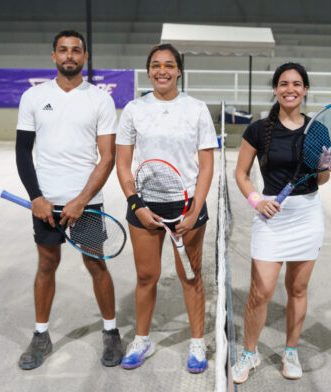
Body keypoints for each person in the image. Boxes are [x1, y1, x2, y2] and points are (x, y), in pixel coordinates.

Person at [14, 30, 122, 370]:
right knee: (47, 265)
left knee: (96, 264)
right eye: (63, 50)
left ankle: (111, 331)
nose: (70, 55)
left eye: (76, 50)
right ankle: (41, 334)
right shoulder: (33, 97)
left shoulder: (100, 100)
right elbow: (22, 150)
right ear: (53, 56)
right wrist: (37, 197)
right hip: (46, 205)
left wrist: (81, 200)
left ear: (85, 57)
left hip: (86, 203)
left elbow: (107, 158)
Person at [232, 62, 331, 384]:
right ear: (276, 89)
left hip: (307, 214)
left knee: (297, 288)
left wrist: (326, 167)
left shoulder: (318, 130)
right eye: (283, 83)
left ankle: (290, 350)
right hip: (271, 215)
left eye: (296, 84)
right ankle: (249, 353)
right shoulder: (257, 130)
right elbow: (240, 173)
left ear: (305, 89)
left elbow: (319, 180)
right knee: (261, 290)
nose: (289, 89)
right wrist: (256, 200)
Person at [115, 43, 217, 373]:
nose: (162, 70)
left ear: (179, 71)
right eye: (156, 64)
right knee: (146, 276)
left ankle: (197, 343)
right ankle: (142, 339)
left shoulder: (197, 109)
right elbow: (123, 163)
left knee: (190, 276)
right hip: (144, 205)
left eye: (169, 65)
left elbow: (206, 165)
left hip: (187, 203)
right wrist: (136, 204)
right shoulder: (133, 109)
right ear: (148, 70)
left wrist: (194, 210)